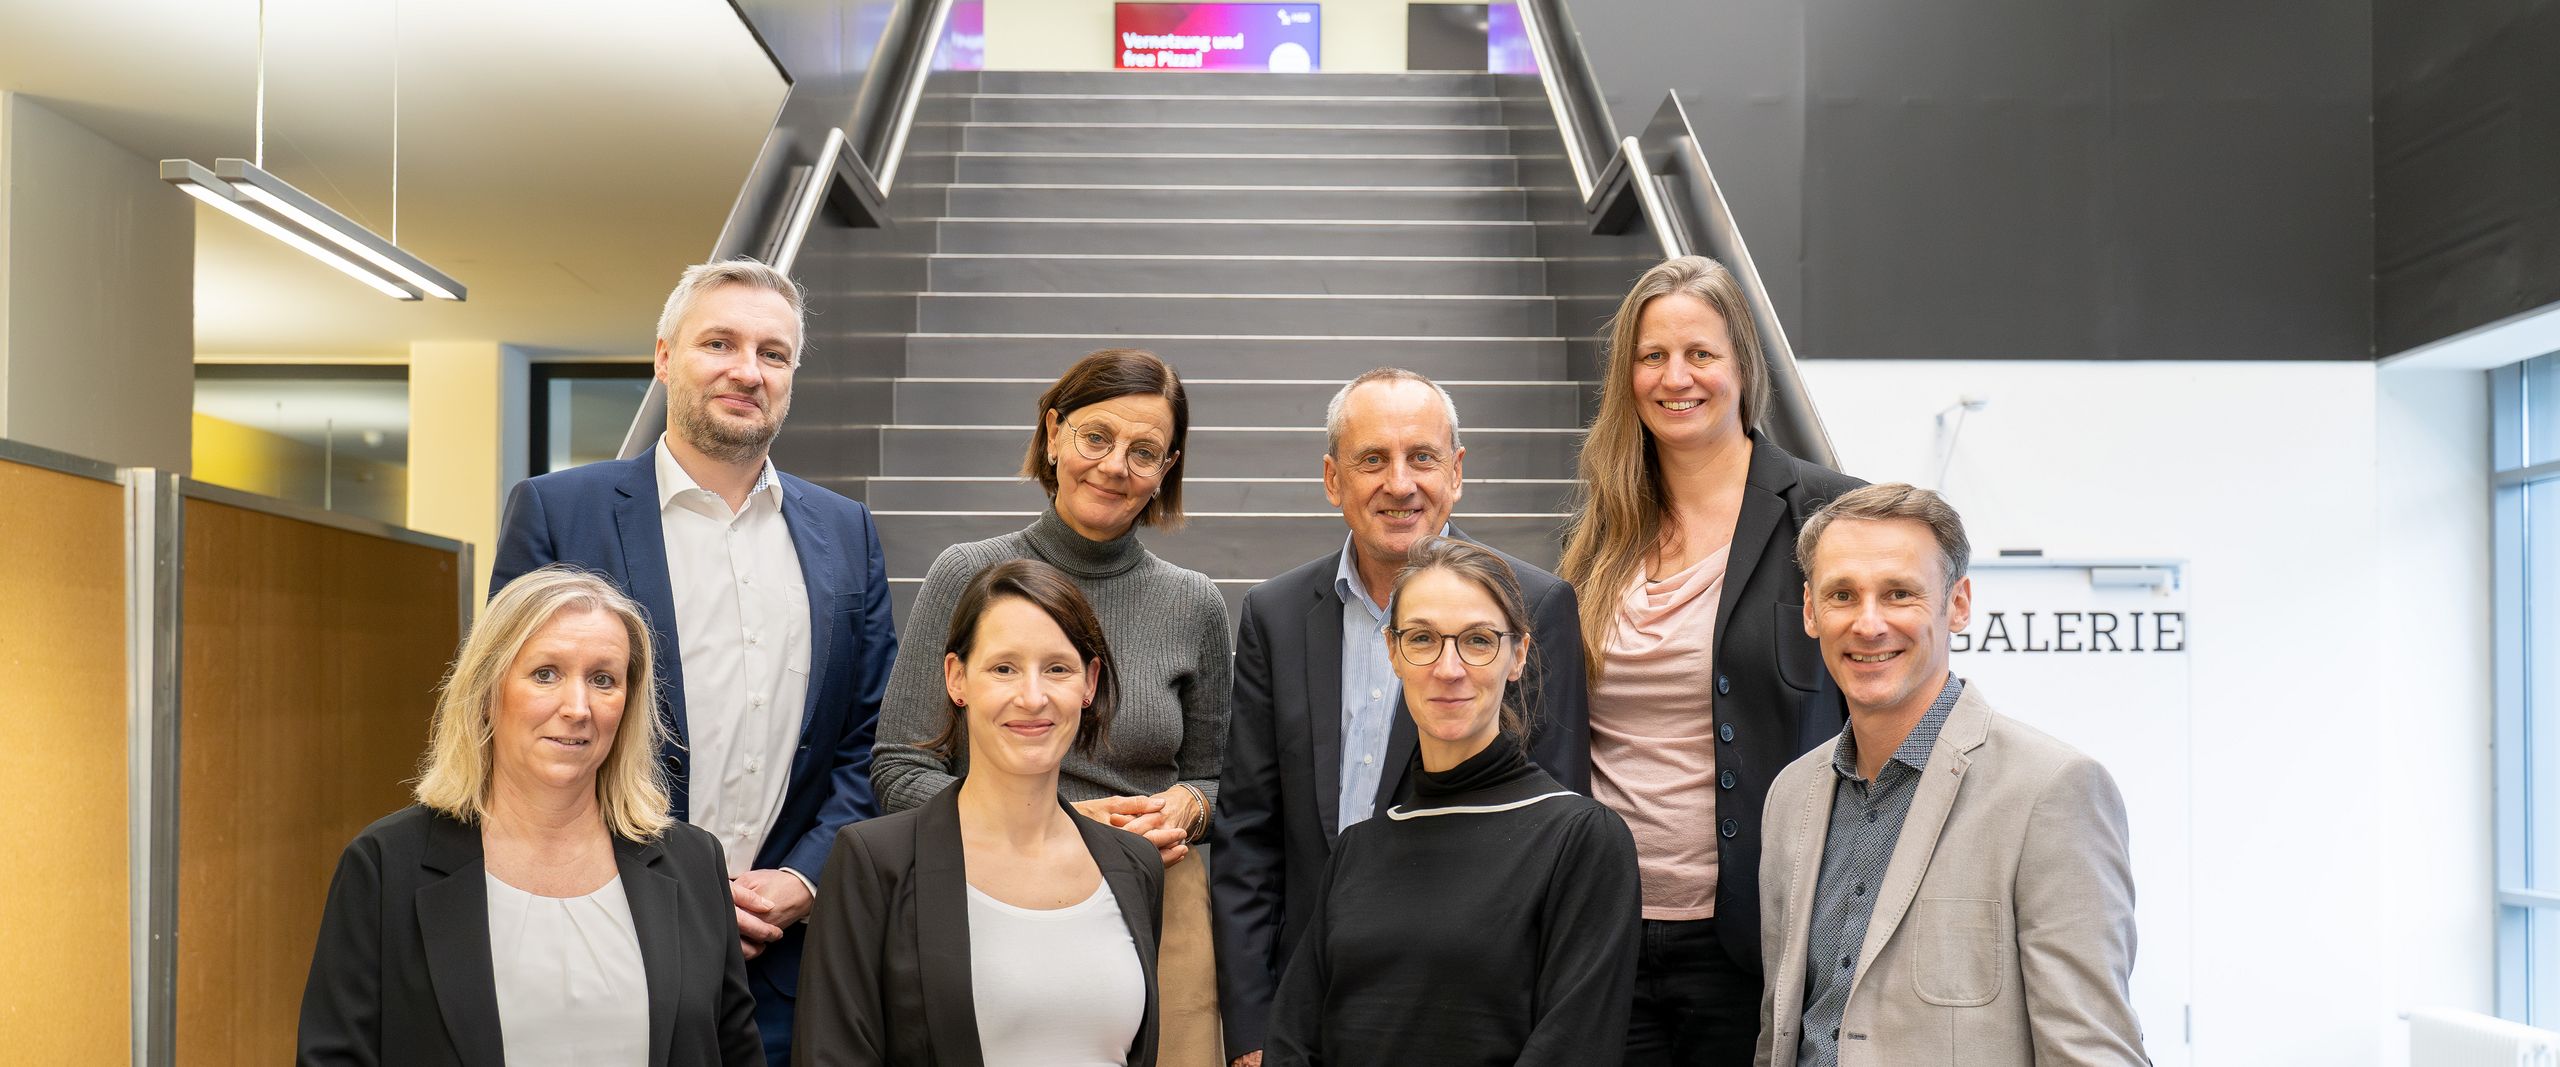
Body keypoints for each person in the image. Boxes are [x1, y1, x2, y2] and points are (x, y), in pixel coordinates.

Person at [490, 259, 897, 1065]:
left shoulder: (846, 531)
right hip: (602, 934)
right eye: (720, 343)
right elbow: (516, 725)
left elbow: (868, 735)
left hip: (788, 966)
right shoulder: (560, 512)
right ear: (666, 357)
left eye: (773, 354)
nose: (748, 370)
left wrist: (805, 880)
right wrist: (670, 882)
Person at [1212, 367, 1592, 1066]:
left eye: (1421, 457)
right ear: (1333, 478)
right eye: (1371, 460)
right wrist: (1253, 1030)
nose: (1400, 482)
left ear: (1456, 470)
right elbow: (1247, 836)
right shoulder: (1275, 614)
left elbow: (1555, 834)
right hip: (1305, 1016)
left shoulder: (1529, 609)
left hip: (1467, 1012)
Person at [869, 348, 1230, 1065]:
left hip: (1156, 909)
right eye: (1096, 437)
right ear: (1054, 432)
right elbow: (897, 768)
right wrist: (1049, 826)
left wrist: (1191, 802)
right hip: (989, 897)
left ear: (1167, 468)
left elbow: (1226, 778)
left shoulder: (1195, 604)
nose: (1115, 464)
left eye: (1144, 450)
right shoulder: (968, 574)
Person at [1557, 256, 1864, 1066]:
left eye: (1701, 353)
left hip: (1756, 939)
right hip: (1608, 932)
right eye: (1653, 356)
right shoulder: (1597, 535)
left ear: (1742, 367)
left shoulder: (1827, 514)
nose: (1675, 377)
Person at [298, 565, 761, 1065]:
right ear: (487, 690)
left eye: (603, 680)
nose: (578, 707)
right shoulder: (387, 865)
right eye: (546, 674)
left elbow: (735, 1051)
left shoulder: (692, 862)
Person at [1756, 484, 2145, 1067]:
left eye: (1899, 594)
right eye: (1842, 595)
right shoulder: (1791, 795)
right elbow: (1782, 1032)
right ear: (1811, 611)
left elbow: (2091, 1053)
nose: (1868, 623)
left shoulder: (2053, 790)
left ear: (1957, 604)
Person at [1264, 537, 1639, 1067]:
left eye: (1478, 641)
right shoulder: (1359, 850)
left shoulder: (1580, 840)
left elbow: (1573, 1047)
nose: (1448, 668)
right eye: (1422, 639)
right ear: (1392, 652)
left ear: (1518, 655)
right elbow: (1293, 1040)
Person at [798, 559, 1165, 1067]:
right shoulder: (874, 861)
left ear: (1089, 683)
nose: (1032, 697)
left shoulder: (1134, 865)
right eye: (1003, 668)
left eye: (1057, 668)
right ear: (957, 679)